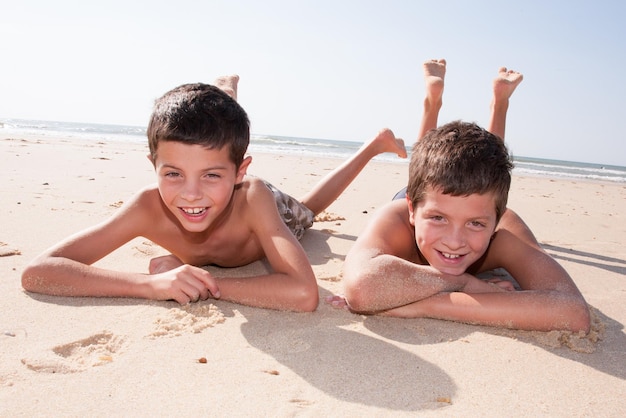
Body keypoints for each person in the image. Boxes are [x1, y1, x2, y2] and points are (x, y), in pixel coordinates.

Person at [21, 76, 407, 312]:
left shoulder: (251, 195)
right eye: (172, 173)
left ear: (240, 171)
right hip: (224, 180)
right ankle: (222, 96)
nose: (190, 194)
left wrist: (204, 282)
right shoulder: (147, 206)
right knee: (215, 139)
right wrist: (149, 285)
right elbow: (39, 272)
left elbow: (304, 292)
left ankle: (372, 146)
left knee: (309, 210)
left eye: (210, 175)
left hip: (263, 206)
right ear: (153, 165)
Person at [337, 59, 591, 332]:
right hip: (424, 194)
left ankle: (499, 103)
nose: (455, 242)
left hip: (459, 201)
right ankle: (432, 102)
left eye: (476, 224)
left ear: (496, 221)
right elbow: (361, 288)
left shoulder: (504, 231)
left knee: (489, 164)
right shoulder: (397, 218)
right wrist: (467, 284)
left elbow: (572, 312)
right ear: (412, 210)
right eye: (438, 219)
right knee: (425, 168)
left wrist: (427, 304)